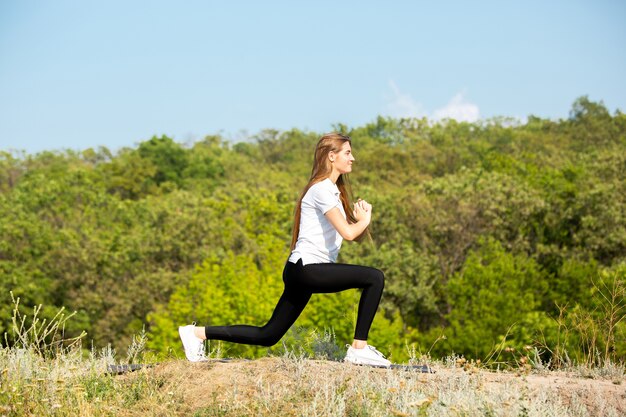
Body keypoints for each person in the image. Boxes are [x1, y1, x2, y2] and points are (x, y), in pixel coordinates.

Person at [178, 133, 391, 367]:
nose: (353, 158)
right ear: (332, 156)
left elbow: (352, 235)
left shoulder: (332, 192)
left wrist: (360, 221)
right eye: (348, 153)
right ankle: (358, 348)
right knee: (374, 277)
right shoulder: (320, 190)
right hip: (307, 269)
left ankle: (196, 334)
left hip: (301, 270)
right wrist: (365, 220)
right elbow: (350, 233)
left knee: (268, 335)